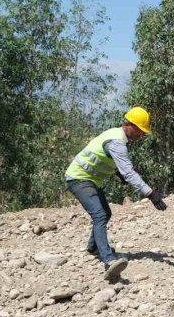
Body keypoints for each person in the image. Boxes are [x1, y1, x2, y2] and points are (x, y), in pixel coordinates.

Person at [65, 107, 168, 280]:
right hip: (78, 179)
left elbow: (106, 159)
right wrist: (150, 193)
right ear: (128, 125)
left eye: (143, 133)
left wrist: (118, 173)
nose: (140, 136)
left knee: (106, 213)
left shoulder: (116, 137)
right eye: (139, 131)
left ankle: (93, 247)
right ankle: (108, 260)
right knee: (99, 215)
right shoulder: (117, 142)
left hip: (90, 180)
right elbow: (128, 172)